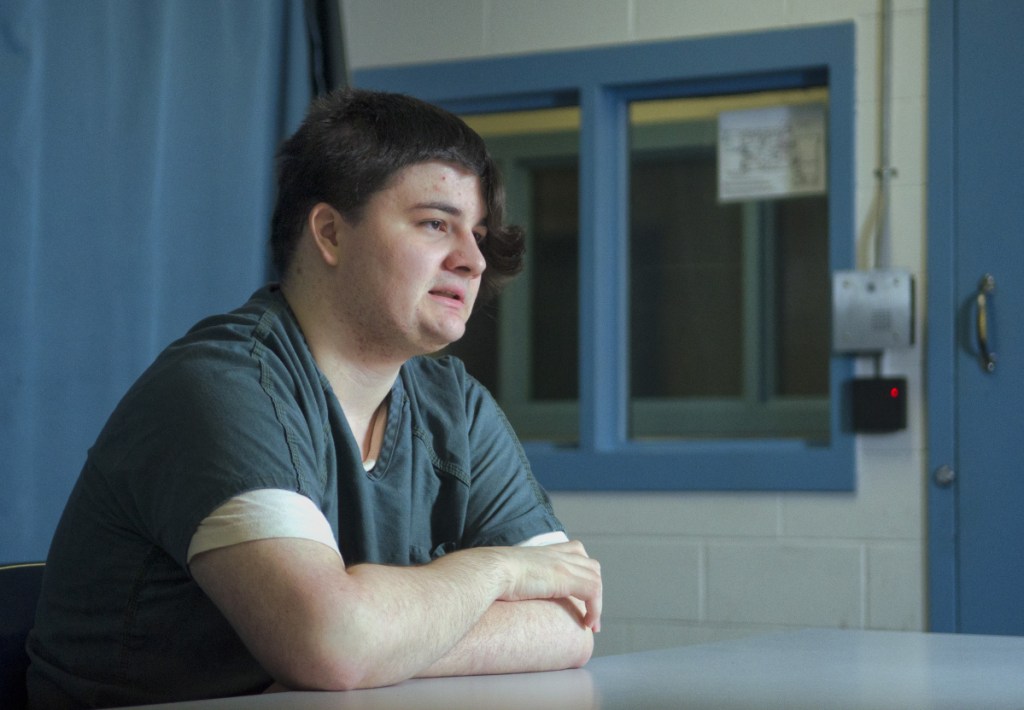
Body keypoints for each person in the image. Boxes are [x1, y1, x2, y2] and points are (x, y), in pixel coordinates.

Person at [26, 88, 602, 709]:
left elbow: (571, 621)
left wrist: (379, 652)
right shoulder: (222, 385)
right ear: (329, 233)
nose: (473, 260)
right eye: (436, 224)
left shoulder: (454, 404)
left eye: (478, 233)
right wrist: (496, 572)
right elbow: (333, 645)